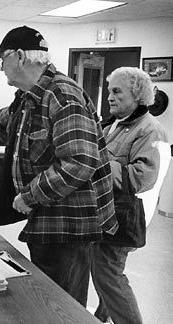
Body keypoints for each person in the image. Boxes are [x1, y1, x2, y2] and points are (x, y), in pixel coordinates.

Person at [0, 25, 117, 306]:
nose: (1, 67)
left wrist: (30, 196)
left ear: (18, 56)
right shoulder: (30, 99)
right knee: (49, 298)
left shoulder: (62, 96)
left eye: (1, 60)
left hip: (69, 224)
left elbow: (79, 162)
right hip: (50, 219)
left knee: (62, 304)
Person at [91, 67, 168, 324]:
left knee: (108, 272)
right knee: (103, 268)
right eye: (110, 90)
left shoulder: (150, 130)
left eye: (117, 91)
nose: (110, 97)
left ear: (137, 95)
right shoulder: (113, 123)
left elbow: (142, 178)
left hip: (124, 214)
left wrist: (97, 162)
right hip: (105, 210)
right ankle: (104, 313)